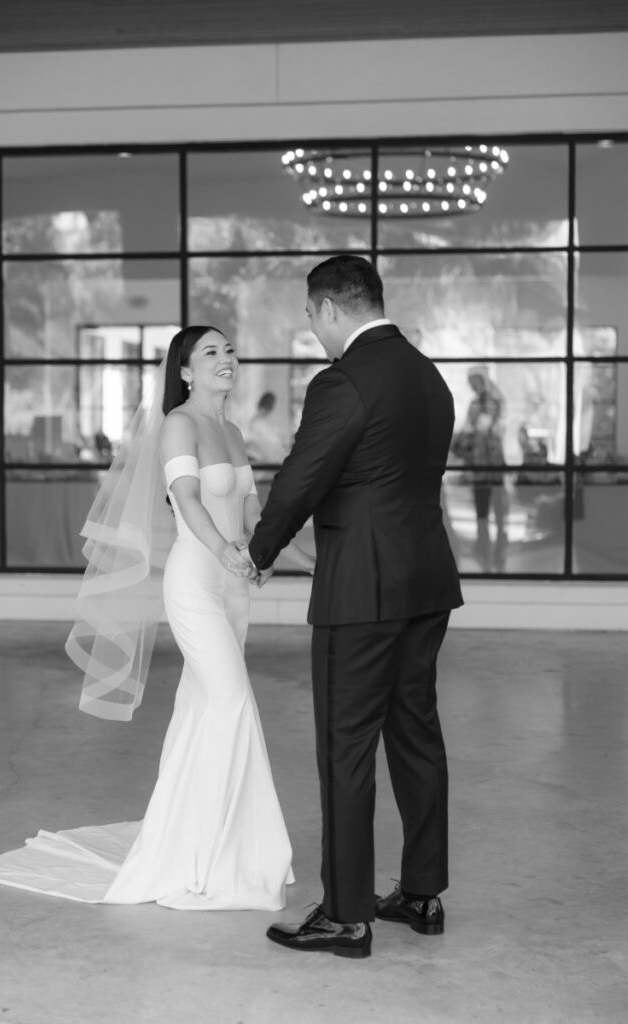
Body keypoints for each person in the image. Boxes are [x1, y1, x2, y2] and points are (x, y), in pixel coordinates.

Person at [0, 325, 314, 910]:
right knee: (231, 703)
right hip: (196, 584)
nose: (226, 359)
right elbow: (188, 498)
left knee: (203, 712)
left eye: (229, 350)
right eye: (211, 353)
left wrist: (284, 559)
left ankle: (208, 841)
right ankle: (223, 859)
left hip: (234, 590)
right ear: (184, 372)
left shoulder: (231, 429)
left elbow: (253, 510)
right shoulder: (180, 424)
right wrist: (229, 553)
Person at [241, 255, 463, 958]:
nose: (310, 329)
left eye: (310, 315)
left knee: (345, 746)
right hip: (425, 581)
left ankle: (345, 914)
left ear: (334, 308)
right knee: (415, 733)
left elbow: (302, 477)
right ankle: (422, 894)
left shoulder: (342, 381)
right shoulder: (428, 376)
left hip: (360, 589)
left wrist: (260, 549)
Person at [458, 365, 508, 573]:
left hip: (492, 465)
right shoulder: (475, 403)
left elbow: (480, 427)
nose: (470, 385)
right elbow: (469, 429)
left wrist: (464, 439)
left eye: (473, 381)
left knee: (497, 506)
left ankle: (498, 549)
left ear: (481, 380)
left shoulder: (492, 400)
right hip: (479, 465)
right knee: (481, 507)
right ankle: (483, 547)